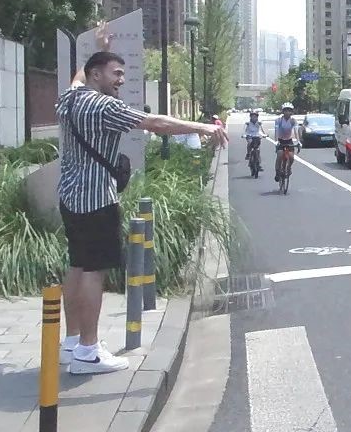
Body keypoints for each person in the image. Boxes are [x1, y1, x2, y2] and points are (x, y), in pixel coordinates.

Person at [57, 23, 228, 375]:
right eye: (116, 73)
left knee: (76, 266)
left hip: (69, 194)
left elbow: (75, 80)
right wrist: (203, 127)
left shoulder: (71, 99)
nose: (121, 79)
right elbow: (155, 123)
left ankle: (72, 341)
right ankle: (88, 351)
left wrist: (99, 47)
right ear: (96, 75)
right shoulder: (103, 107)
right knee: (93, 271)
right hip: (96, 199)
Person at [273, 102, 299, 182]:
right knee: (280, 155)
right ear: (283, 111)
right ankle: (277, 172)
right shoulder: (279, 120)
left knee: (291, 157)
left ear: (291, 112)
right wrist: (276, 141)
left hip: (289, 140)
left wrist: (298, 141)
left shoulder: (293, 121)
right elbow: (276, 131)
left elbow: (296, 131)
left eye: (289, 110)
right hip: (281, 140)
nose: (287, 112)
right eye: (285, 110)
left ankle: (289, 167)